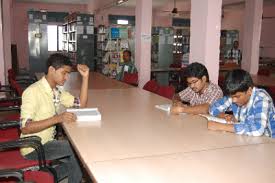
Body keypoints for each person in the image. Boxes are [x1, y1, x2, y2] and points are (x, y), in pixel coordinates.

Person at [20, 53, 89, 183]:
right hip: (34, 147)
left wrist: (85, 78)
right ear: (52, 70)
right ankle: (43, 177)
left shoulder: (56, 91)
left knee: (78, 160)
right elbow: (25, 128)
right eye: (64, 73)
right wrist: (58, 118)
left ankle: (45, 177)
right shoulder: (32, 92)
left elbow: (81, 104)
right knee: (79, 153)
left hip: (47, 143)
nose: (67, 77)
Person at [208, 69, 275, 138]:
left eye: (237, 96)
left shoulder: (261, 99)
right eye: (231, 97)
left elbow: (258, 129)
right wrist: (226, 115)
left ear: (249, 91)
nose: (233, 100)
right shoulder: (236, 94)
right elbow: (212, 109)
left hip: (269, 142)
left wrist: (221, 126)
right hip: (248, 139)